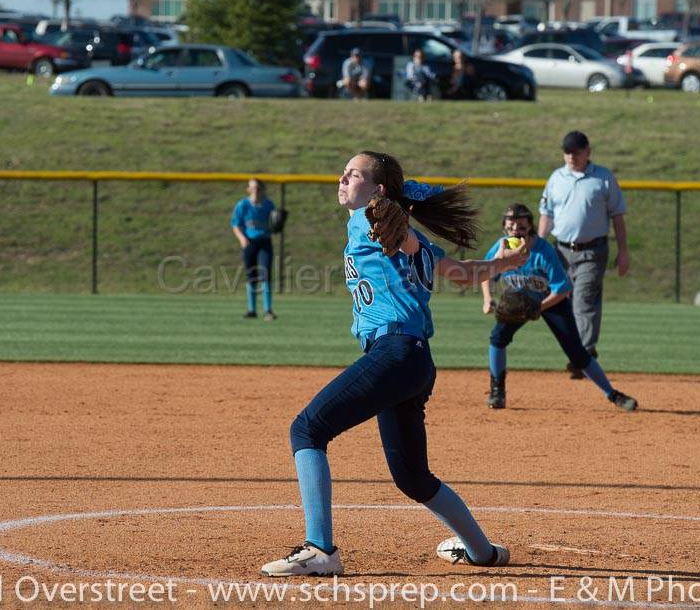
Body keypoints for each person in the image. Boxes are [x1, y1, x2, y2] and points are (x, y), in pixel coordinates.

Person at [261, 150, 528, 577]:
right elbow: (462, 272)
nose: (343, 178)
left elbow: (405, 239)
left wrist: (400, 227)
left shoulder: (382, 222)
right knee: (412, 477)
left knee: (307, 429)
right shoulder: (378, 222)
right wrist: (506, 263)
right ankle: (484, 552)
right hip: (413, 361)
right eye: (344, 172)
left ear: (378, 191)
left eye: (354, 174)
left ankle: (321, 549)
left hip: (397, 351)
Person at [481, 204, 638, 412]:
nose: (515, 231)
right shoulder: (502, 247)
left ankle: (613, 394)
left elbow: (562, 290)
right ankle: (497, 392)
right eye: (511, 226)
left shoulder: (543, 251)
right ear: (504, 227)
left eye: (521, 226)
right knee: (497, 338)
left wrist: (538, 308)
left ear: (530, 227)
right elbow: (486, 271)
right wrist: (487, 298)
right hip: (521, 301)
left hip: (552, 301)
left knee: (577, 353)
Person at [538, 131, 629, 379]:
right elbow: (546, 214)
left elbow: (618, 216)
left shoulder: (603, 178)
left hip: (593, 250)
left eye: (576, 152)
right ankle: (581, 353)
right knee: (562, 301)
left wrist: (623, 251)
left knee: (584, 301)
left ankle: (583, 354)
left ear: (588, 152)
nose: (571, 156)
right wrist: (537, 245)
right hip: (561, 250)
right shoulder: (556, 178)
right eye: (567, 151)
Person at [230, 178, 277, 321]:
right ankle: (251, 310)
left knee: (265, 274)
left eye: (258, 188)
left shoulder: (268, 205)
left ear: (262, 190)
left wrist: (276, 225)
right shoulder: (243, 205)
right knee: (251, 275)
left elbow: (273, 225)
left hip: (264, 242)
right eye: (252, 188)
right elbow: (235, 225)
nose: (255, 190)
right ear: (248, 189)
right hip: (249, 243)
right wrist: (242, 239)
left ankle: (268, 310)